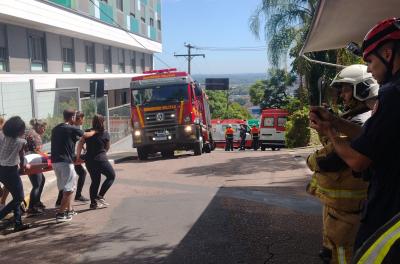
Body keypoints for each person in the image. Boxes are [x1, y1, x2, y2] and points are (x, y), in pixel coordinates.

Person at [309, 18, 400, 261]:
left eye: (370, 61)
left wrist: (329, 132)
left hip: (390, 212)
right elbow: (372, 139)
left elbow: (358, 160)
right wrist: (335, 122)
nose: (369, 69)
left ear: (388, 53)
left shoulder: (393, 94)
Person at [306, 65, 378, 264]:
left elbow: (333, 160)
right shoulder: (357, 118)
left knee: (341, 252)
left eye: (346, 89)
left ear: (362, 89)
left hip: (348, 208)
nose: (342, 95)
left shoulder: (363, 120)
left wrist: (312, 159)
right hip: (342, 205)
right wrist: (327, 126)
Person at [51, 109, 95, 223]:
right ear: (72, 117)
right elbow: (86, 135)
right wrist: (95, 131)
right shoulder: (71, 128)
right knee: (69, 189)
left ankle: (69, 210)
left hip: (55, 162)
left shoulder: (56, 128)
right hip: (66, 162)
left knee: (66, 187)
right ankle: (61, 213)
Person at [76, 114, 115, 209]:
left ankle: (93, 203)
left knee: (95, 181)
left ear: (93, 122)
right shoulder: (105, 133)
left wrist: (78, 156)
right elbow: (108, 147)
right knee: (111, 176)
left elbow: (80, 143)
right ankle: (100, 196)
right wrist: (103, 153)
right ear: (102, 122)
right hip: (101, 159)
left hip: (89, 160)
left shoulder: (88, 132)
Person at [0, 116, 30, 232]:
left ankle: (18, 223)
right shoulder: (21, 141)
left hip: (1, 170)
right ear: (18, 130)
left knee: (16, 196)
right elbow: (22, 157)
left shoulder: (1, 135)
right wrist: (22, 169)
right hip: (11, 171)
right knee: (19, 197)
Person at [55, 111, 89, 207]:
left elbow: (78, 140)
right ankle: (63, 203)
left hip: (66, 156)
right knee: (68, 181)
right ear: (76, 118)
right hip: (67, 157)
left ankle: (63, 201)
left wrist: (82, 147)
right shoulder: (71, 128)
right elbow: (83, 137)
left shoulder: (69, 127)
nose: (83, 121)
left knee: (73, 177)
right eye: (82, 119)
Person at [25, 118, 47, 216]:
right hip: (33, 161)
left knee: (41, 180)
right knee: (37, 184)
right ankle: (31, 207)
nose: (44, 131)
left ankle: (37, 202)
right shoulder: (36, 136)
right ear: (40, 127)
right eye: (44, 128)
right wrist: (46, 157)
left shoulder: (29, 132)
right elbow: (37, 151)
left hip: (27, 160)